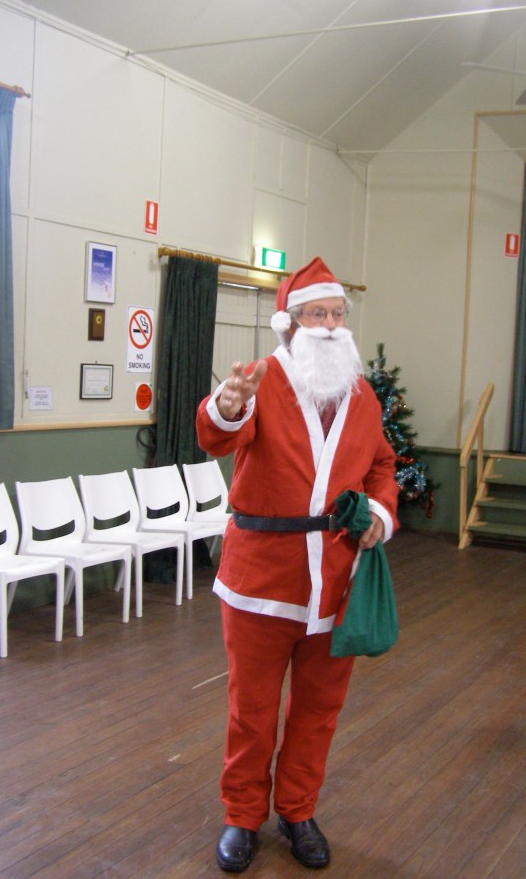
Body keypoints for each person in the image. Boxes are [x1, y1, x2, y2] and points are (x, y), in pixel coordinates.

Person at [196, 256, 399, 872]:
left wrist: (380, 514)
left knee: (318, 710)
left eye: (338, 314)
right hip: (260, 580)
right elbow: (218, 435)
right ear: (290, 324)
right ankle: (241, 816)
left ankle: (298, 809)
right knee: (251, 711)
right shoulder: (261, 380)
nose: (332, 325)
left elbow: (382, 465)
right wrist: (227, 403)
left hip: (335, 581)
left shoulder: (360, 394)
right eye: (317, 314)